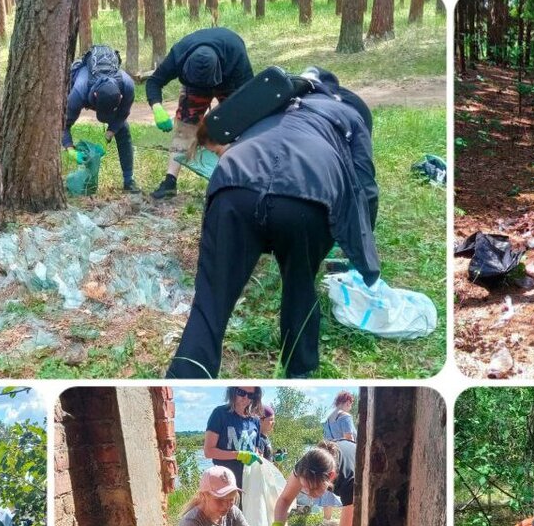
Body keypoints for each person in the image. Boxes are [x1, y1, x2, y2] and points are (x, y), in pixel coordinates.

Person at [164, 79, 378, 379]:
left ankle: (188, 372)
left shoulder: (270, 100)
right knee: (300, 283)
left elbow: (227, 133)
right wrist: (362, 248)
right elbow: (365, 187)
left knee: (211, 297)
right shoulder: (351, 116)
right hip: (308, 194)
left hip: (234, 185)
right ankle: (298, 372)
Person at [144, 26, 254, 200]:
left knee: (237, 127)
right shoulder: (179, 54)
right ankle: (169, 183)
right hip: (195, 82)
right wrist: (157, 107)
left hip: (228, 78)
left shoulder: (236, 54)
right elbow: (154, 82)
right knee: (185, 126)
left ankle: (239, 178)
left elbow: (248, 98)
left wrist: (224, 123)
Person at [63, 45, 139, 193]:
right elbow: (62, 125)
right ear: (95, 97)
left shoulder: (127, 85)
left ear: (120, 97)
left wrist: (110, 132)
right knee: (62, 118)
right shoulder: (79, 91)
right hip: (83, 89)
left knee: (123, 129)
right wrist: (70, 148)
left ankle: (129, 181)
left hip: (108, 92)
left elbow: (123, 113)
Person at [203, 387, 262, 489]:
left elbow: (256, 449)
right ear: (232, 392)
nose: (245, 398)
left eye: (250, 395)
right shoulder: (220, 414)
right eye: (241, 392)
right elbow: (208, 451)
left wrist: (257, 457)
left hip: (248, 482)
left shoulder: (255, 420)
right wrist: (238, 455)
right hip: (224, 481)